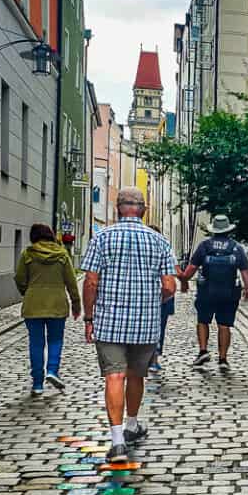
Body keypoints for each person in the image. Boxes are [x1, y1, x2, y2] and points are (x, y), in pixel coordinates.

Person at [81, 187, 177, 462]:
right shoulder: (159, 241)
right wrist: (149, 299)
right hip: (145, 323)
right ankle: (132, 424)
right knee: (137, 375)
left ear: (117, 208)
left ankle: (117, 441)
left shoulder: (102, 239)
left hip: (109, 320)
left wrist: (90, 317)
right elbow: (169, 285)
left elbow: (90, 282)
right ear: (143, 210)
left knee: (114, 376)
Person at [177, 215, 248, 372]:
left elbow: (191, 269)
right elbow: (244, 270)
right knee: (224, 325)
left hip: (206, 292)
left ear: (214, 230)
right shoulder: (236, 247)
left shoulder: (205, 246)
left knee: (203, 321)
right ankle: (223, 358)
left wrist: (184, 280)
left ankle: (203, 351)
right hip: (229, 292)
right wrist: (247, 289)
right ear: (228, 230)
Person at [15, 223, 81, 395]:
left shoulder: (27, 254)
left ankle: (37, 383)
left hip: (33, 305)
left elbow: (19, 278)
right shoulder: (62, 254)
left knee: (36, 343)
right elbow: (71, 282)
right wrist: (76, 303)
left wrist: (27, 291)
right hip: (57, 304)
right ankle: (52, 370)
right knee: (55, 340)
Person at [148, 225, 174, 373]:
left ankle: (147, 359)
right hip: (162, 295)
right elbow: (172, 276)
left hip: (149, 295)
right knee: (159, 328)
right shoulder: (166, 248)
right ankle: (153, 360)